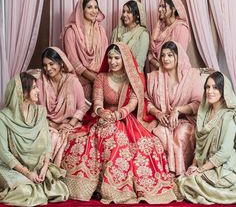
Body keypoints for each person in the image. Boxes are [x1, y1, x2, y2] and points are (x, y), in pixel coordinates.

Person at [61, 42, 177, 204]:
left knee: (146, 144)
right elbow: (98, 101)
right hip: (104, 117)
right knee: (86, 142)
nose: (112, 61)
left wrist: (118, 114)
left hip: (125, 118)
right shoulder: (102, 77)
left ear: (125, 60)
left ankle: (122, 187)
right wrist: (101, 112)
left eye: (117, 58)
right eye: (110, 58)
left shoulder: (133, 80)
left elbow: (133, 103)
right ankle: (96, 186)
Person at [0, 72, 69, 206]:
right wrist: (26, 173)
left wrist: (45, 166)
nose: (38, 90)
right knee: (27, 192)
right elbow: (3, 152)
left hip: (36, 167)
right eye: (34, 87)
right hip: (12, 168)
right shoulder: (3, 118)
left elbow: (47, 144)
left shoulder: (40, 113)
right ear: (23, 92)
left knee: (58, 190)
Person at [177, 71, 236, 204]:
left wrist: (201, 169)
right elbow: (199, 146)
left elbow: (225, 153)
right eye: (207, 87)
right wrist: (193, 165)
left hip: (224, 167)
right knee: (185, 179)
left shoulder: (229, 116)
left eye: (215, 87)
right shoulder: (205, 112)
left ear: (224, 90)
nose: (210, 91)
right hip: (206, 164)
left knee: (192, 182)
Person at [146, 41, 204, 176]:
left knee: (181, 134)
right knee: (160, 134)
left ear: (178, 57)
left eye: (170, 55)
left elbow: (198, 103)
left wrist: (178, 110)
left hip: (185, 120)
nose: (166, 59)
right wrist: (158, 113)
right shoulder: (154, 77)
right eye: (163, 55)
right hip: (162, 120)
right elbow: (146, 101)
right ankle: (165, 173)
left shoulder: (191, 76)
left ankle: (180, 173)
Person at [36, 47, 86, 167]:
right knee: (51, 137)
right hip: (47, 123)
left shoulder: (72, 81)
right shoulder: (41, 81)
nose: (48, 68)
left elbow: (82, 107)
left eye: (51, 64)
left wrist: (70, 125)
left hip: (69, 123)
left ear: (61, 63)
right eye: (45, 65)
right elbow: (37, 109)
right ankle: (44, 171)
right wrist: (55, 125)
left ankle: (51, 171)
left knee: (64, 139)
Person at [61, 0, 108, 101]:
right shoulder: (71, 32)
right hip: (78, 78)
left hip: (99, 77)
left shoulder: (101, 31)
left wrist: (100, 79)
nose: (94, 11)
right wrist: (92, 78)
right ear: (81, 10)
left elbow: (105, 57)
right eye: (89, 7)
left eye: (96, 7)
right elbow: (72, 60)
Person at [148, 0, 191, 70]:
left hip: (174, 75)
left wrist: (152, 60)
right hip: (158, 73)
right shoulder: (159, 28)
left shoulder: (181, 28)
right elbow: (151, 52)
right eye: (159, 6)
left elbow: (178, 58)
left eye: (163, 6)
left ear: (173, 9)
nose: (159, 9)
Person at [111, 0, 149, 72]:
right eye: (123, 11)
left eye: (128, 12)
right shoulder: (116, 31)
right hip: (115, 74)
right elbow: (110, 55)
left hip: (134, 76)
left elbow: (140, 63)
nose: (124, 15)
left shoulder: (143, 34)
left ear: (137, 15)